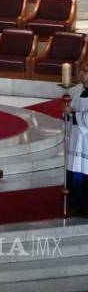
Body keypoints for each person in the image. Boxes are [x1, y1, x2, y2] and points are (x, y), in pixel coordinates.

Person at [64, 84, 88, 215]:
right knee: (75, 170)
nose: (82, 74)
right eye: (82, 71)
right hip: (76, 139)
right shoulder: (79, 94)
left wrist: (72, 115)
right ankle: (74, 202)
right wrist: (66, 112)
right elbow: (69, 113)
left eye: (85, 72)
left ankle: (84, 205)